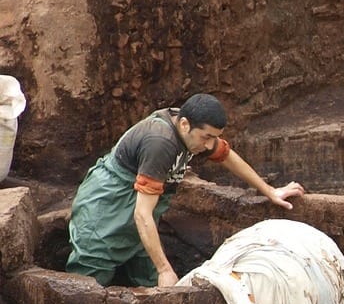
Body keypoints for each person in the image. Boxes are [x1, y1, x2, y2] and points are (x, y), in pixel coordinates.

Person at [66, 93, 305, 287]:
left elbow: (226, 155)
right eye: (207, 137)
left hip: (137, 212)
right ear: (184, 124)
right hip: (106, 207)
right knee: (88, 283)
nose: (210, 145)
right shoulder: (161, 143)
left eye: (215, 137)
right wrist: (165, 269)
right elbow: (142, 214)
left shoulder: (190, 130)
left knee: (150, 281)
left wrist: (270, 191)